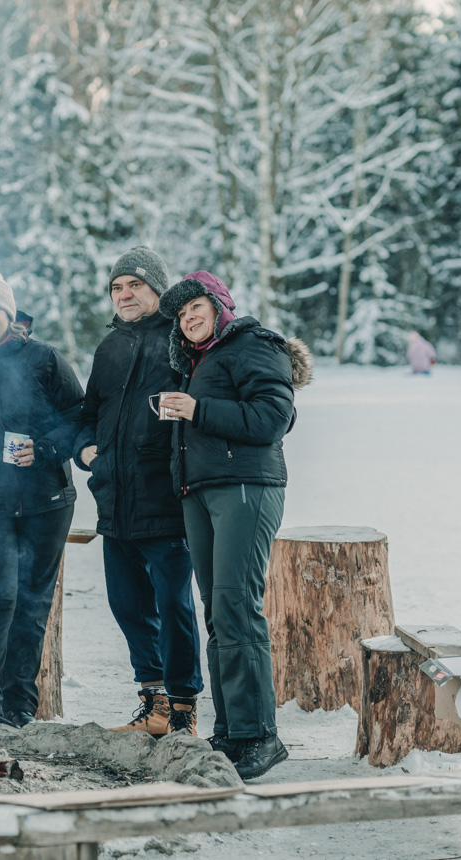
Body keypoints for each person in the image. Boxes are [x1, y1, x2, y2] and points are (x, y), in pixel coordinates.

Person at [157, 271, 312, 781]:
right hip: (201, 491)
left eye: (195, 307)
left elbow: (272, 418)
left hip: (246, 487)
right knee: (218, 613)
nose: (188, 319)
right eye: (181, 315)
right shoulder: (197, 360)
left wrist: (198, 409)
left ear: (219, 304)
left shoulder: (254, 344)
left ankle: (260, 736)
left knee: (237, 607)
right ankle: (231, 731)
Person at [74, 245, 204, 737]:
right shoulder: (108, 348)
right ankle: (154, 703)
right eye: (117, 287)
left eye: (135, 285)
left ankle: (183, 710)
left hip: (165, 499)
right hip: (115, 500)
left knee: (173, 606)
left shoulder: (180, 341)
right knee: (128, 605)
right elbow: (88, 416)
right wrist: (86, 452)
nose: (124, 294)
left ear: (157, 290)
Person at [0, 269, 84, 728]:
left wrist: (44, 449)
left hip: (46, 499)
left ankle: (20, 705)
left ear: (9, 314)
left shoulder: (43, 358)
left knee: (32, 603)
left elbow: (80, 416)